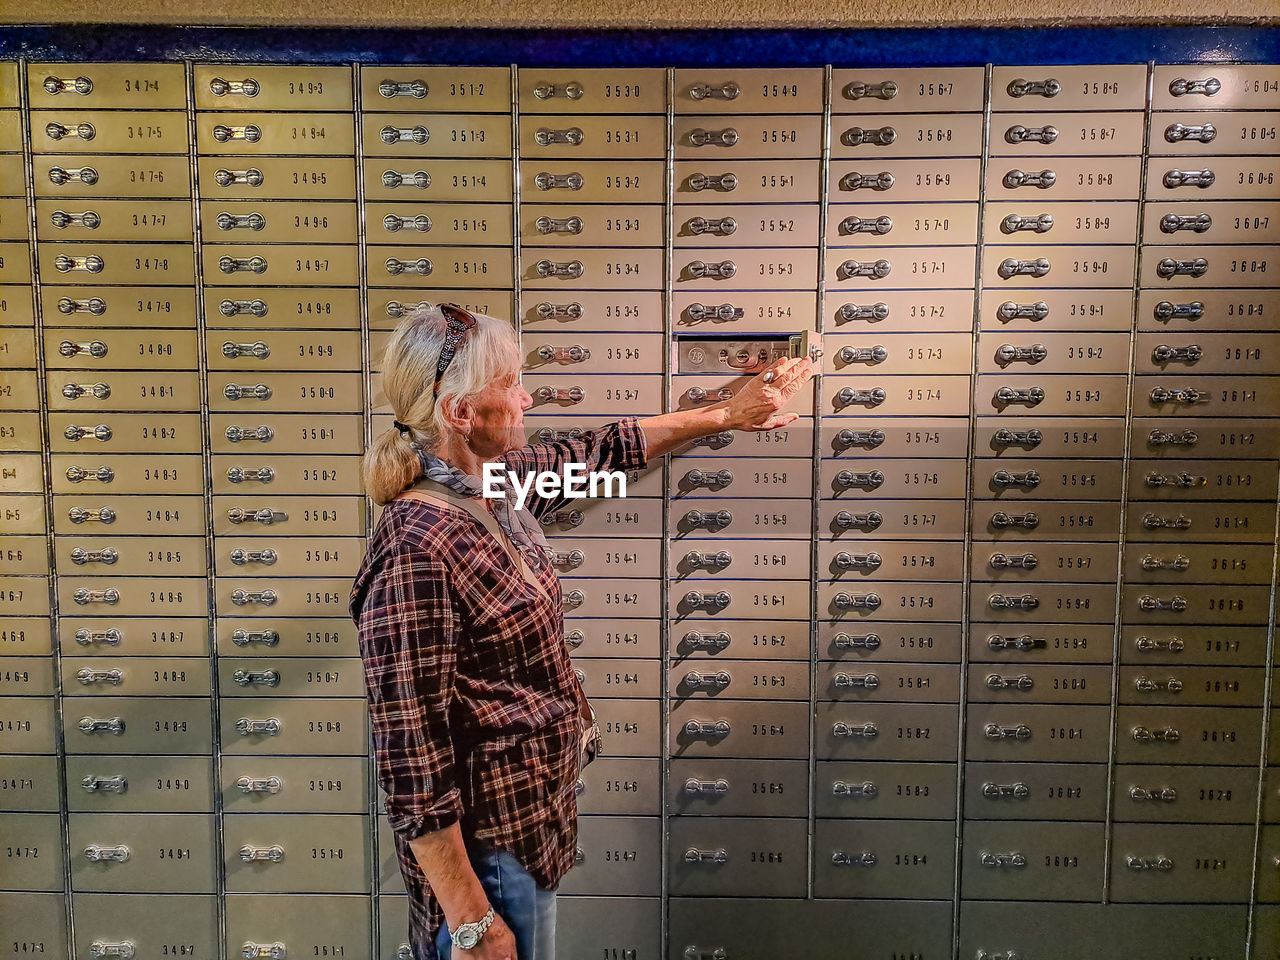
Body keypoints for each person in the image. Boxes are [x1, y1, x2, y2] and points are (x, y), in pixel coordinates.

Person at [351, 303, 813, 960]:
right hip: (487, 865)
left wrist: (726, 415)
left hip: (527, 832)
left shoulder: (492, 486)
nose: (526, 395)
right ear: (461, 414)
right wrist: (473, 923)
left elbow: (594, 454)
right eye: (510, 384)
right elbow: (410, 763)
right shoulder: (417, 548)